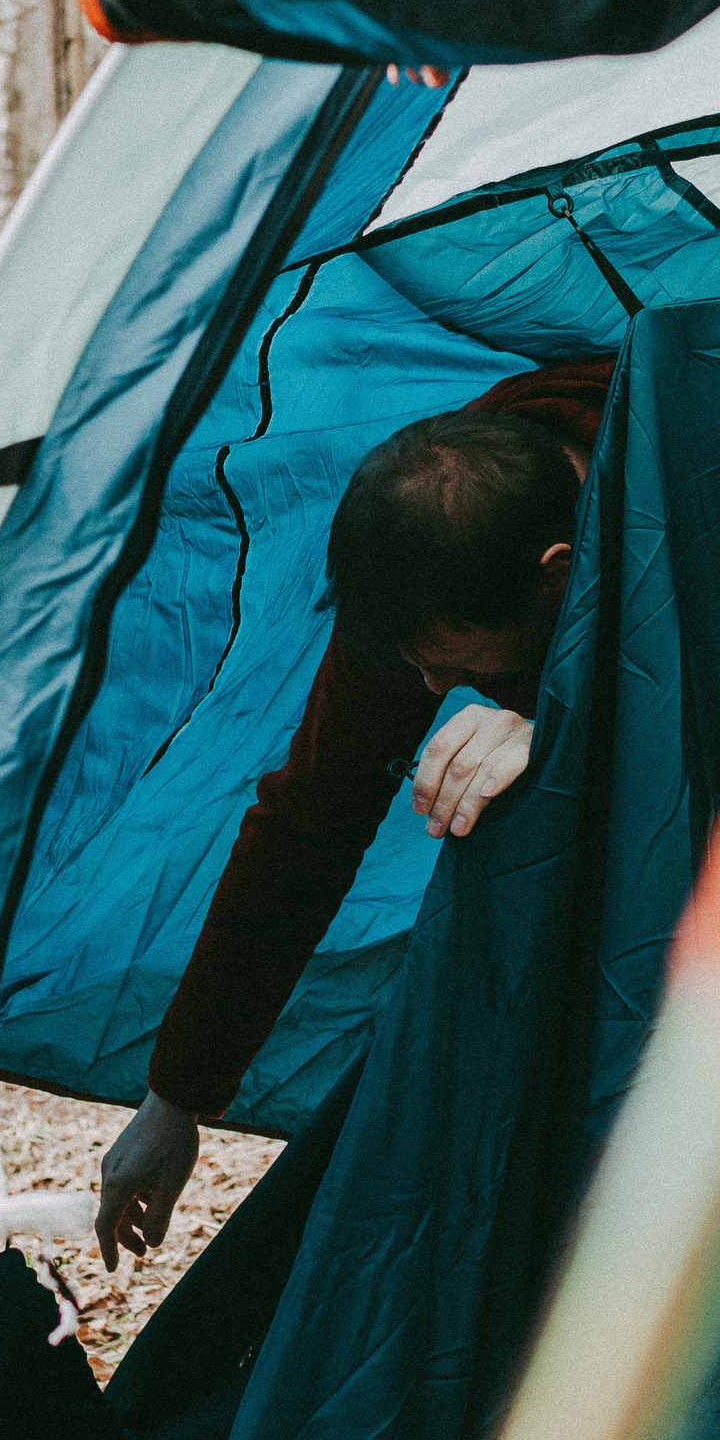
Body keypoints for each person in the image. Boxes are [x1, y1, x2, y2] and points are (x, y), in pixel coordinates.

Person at [97, 358, 612, 1265]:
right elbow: (310, 822)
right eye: (418, 667)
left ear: (558, 579)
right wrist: (176, 1097)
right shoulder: (423, 552)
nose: (437, 690)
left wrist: (571, 734)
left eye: (461, 666)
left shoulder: (697, 479)